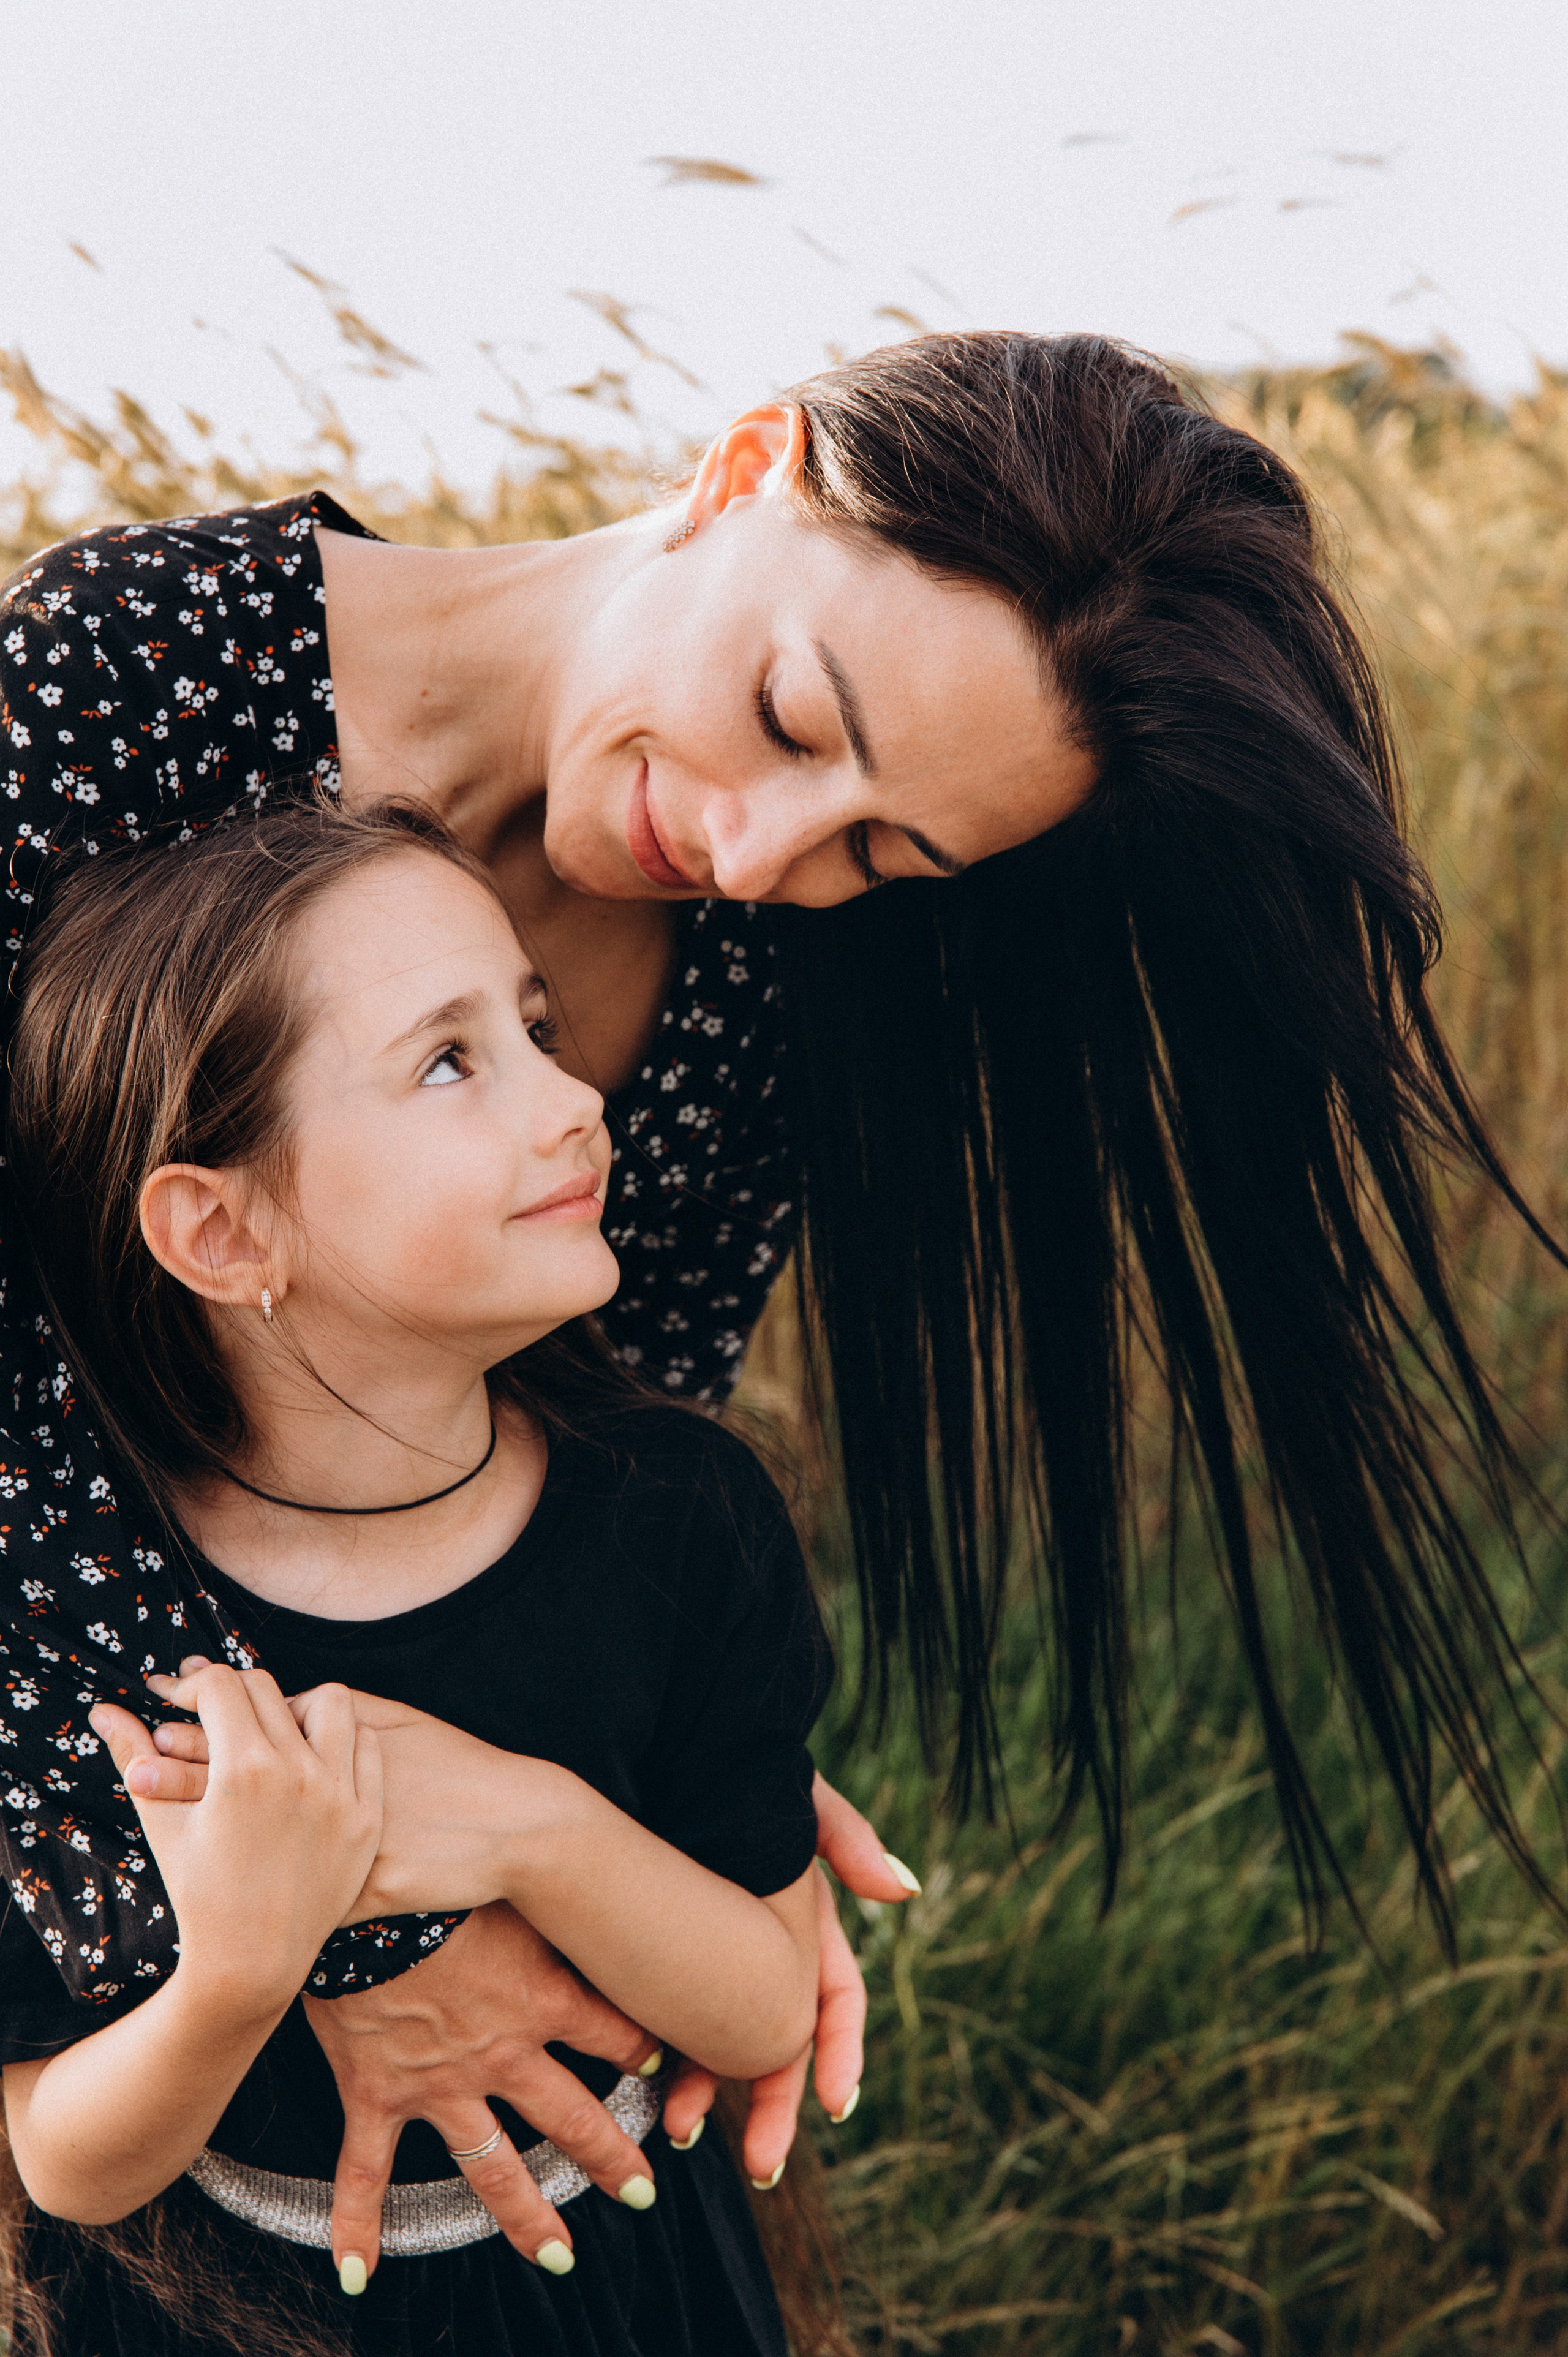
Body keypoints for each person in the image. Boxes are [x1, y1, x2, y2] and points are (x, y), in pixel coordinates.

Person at [0, 330, 1551, 2225]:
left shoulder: (764, 963)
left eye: (884, 851)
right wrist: (335, 1939)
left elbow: (593, 1433)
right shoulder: (139, 670)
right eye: (796, 722)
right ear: (750, 466)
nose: (749, 854)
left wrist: (686, 1788)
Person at [1, 793, 831, 2356]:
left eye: (534, 1025)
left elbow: (765, 1997)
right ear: (223, 1229)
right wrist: (240, 1969)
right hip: (223, 2309)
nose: (574, 1101)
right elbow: (66, 2153)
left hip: (619, 2285)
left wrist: (533, 1827)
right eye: (451, 1062)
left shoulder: (676, 1512)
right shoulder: (79, 1601)